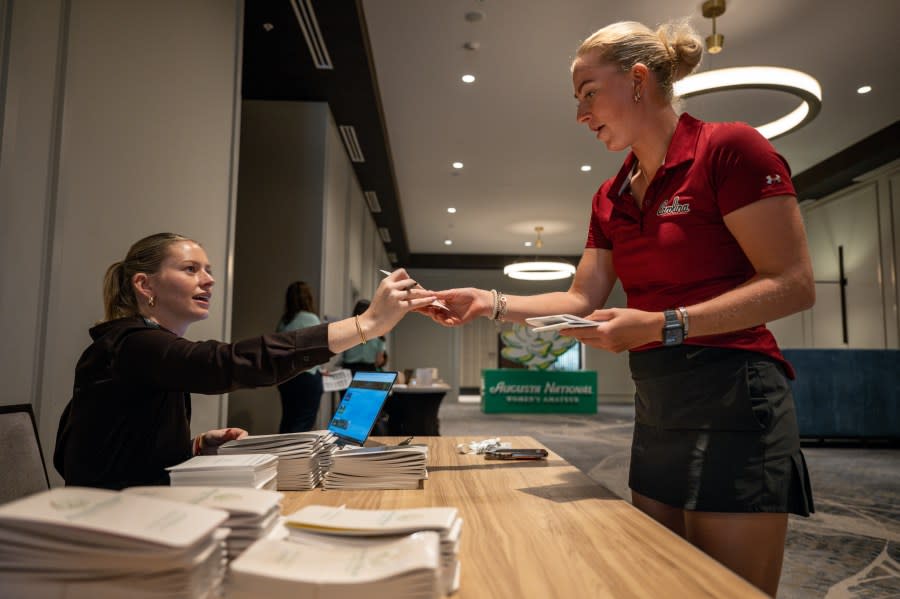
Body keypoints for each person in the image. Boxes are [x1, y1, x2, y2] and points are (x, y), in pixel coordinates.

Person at [423, 20, 815, 597]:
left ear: (637, 80)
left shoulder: (728, 149)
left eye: (588, 93)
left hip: (736, 395)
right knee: (652, 580)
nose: (581, 114)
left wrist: (665, 323)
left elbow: (793, 283)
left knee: (729, 590)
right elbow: (582, 297)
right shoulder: (609, 195)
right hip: (657, 399)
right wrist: (489, 302)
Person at [54, 232, 434, 490]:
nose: (209, 281)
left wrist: (195, 446)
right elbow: (224, 364)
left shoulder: (142, 347)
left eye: (209, 271)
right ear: (145, 285)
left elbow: (120, 446)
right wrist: (365, 324)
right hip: (115, 525)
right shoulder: (130, 344)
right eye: (191, 270)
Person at [275, 281, 325, 433]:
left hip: (286, 379)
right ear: (308, 298)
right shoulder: (311, 319)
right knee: (303, 424)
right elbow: (320, 350)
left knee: (288, 422)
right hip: (307, 379)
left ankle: (281, 454)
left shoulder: (283, 323)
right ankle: (295, 456)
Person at [340, 300, 387, 374]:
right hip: (369, 370)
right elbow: (379, 360)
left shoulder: (346, 329)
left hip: (349, 370)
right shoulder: (378, 333)